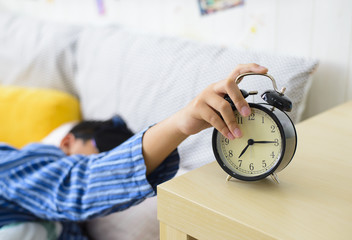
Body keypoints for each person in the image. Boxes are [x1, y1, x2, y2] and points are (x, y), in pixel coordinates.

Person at [0, 63, 268, 239]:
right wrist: (179, 123)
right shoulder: (12, 163)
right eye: (101, 151)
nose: (104, 164)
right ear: (66, 142)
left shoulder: (70, 226)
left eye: (112, 156)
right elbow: (77, 182)